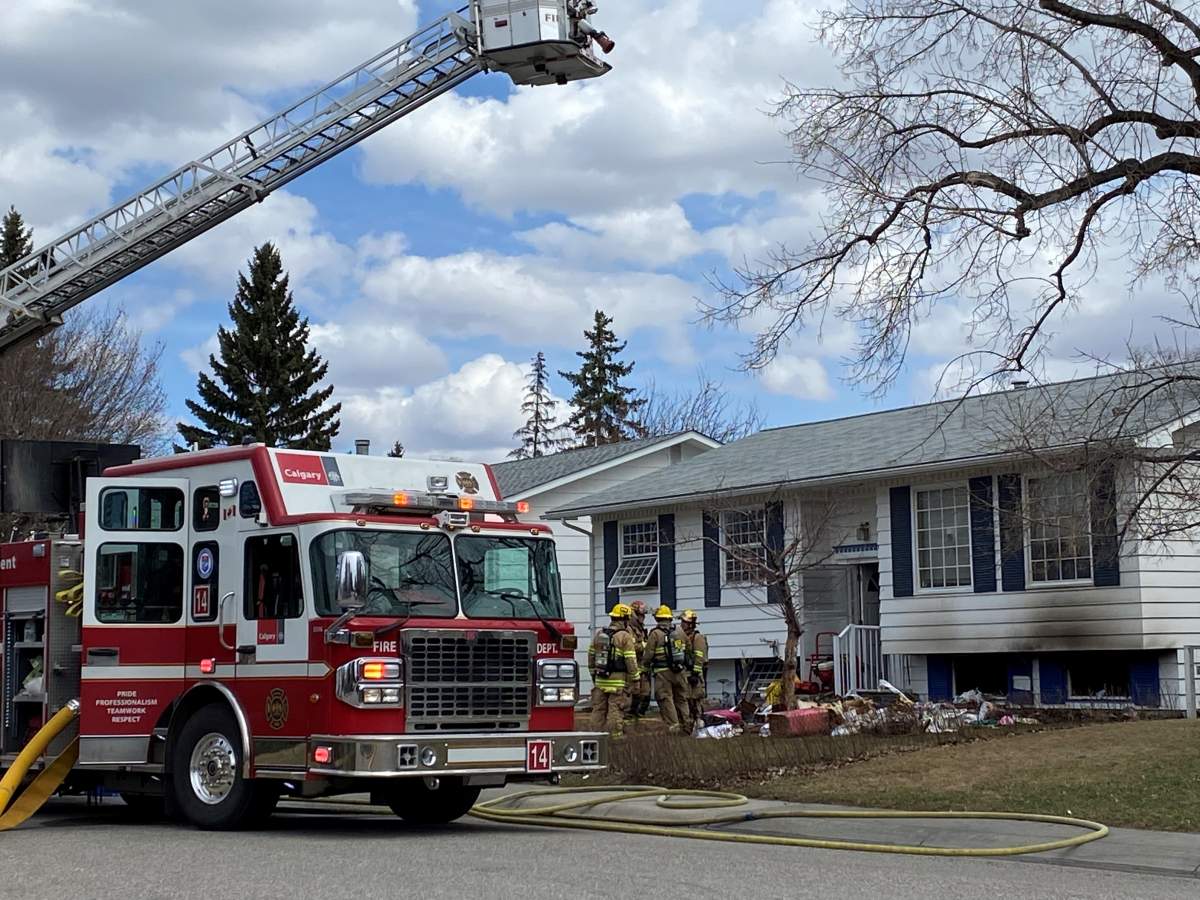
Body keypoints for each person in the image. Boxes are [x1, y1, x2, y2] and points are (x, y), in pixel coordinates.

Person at [587, 604, 640, 738]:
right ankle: (615, 736)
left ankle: (595, 737)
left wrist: (593, 673)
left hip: (600, 679)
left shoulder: (600, 634)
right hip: (617, 681)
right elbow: (630, 660)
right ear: (625, 619)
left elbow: (591, 655)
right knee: (615, 708)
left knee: (598, 709)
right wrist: (635, 678)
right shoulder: (624, 636)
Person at [641, 605, 690, 733]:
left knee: (665, 698)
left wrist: (644, 667)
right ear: (669, 618)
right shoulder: (679, 632)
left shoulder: (655, 634)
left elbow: (648, 654)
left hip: (662, 673)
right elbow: (689, 649)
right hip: (680, 671)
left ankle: (674, 726)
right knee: (681, 699)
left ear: (658, 619)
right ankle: (687, 724)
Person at [680, 609, 708, 730]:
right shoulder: (683, 637)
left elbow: (699, 657)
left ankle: (699, 722)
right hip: (685, 673)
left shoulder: (698, 638)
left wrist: (695, 674)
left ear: (690, 624)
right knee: (686, 700)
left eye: (684, 622)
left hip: (694, 675)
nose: (682, 625)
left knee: (696, 700)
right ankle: (688, 725)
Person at [626, 600, 651, 718]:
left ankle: (638, 719)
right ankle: (630, 719)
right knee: (633, 695)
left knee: (645, 694)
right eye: (641, 615)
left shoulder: (640, 628)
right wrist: (646, 645)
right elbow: (632, 647)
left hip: (642, 667)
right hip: (633, 668)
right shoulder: (629, 629)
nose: (643, 617)